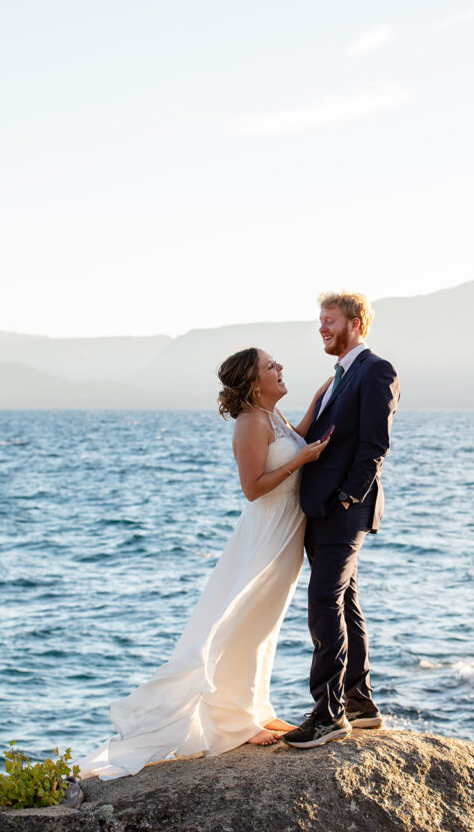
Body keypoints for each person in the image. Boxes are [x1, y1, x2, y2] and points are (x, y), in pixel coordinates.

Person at [79, 347, 332, 779]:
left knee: (263, 626)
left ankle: (254, 709)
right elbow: (253, 488)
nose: (280, 368)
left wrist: (320, 399)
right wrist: (301, 461)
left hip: (286, 532)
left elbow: (300, 435)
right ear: (255, 383)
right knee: (241, 622)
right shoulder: (250, 422)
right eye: (271, 366)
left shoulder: (272, 415)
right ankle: (232, 723)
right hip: (266, 532)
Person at [283, 292, 400, 749]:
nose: (321, 329)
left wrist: (350, 496)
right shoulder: (337, 377)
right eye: (320, 321)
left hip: (344, 507)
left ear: (355, 323)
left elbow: (375, 444)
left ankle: (328, 714)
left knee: (323, 600)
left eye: (329, 321)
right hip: (323, 506)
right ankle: (360, 703)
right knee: (345, 601)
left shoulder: (376, 370)